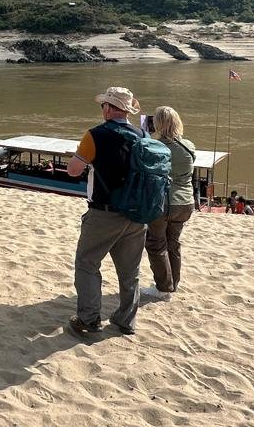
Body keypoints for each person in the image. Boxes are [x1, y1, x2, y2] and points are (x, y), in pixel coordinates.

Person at [65, 87, 146, 336]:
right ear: (128, 110)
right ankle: (126, 321)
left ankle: (89, 320)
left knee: (87, 263)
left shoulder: (95, 135)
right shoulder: (142, 134)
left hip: (104, 213)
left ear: (109, 108)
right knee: (130, 271)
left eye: (103, 106)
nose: (102, 110)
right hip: (137, 213)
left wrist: (82, 156)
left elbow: (73, 170)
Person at [143, 106, 196, 297]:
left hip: (164, 202)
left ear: (157, 124)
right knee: (173, 242)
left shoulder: (154, 146)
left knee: (156, 244)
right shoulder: (189, 146)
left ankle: (164, 287)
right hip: (186, 202)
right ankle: (174, 283)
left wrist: (146, 136)